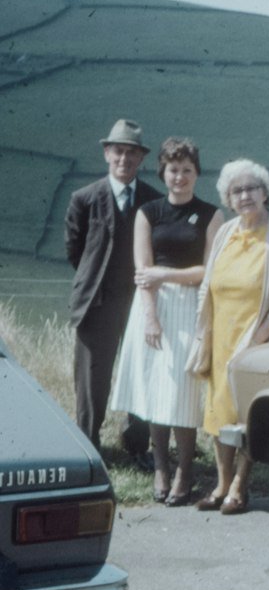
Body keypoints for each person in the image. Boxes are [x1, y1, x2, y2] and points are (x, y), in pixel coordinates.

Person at [191, 159, 269, 515]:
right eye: (236, 190)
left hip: (259, 339)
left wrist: (261, 335)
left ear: (265, 192)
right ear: (228, 198)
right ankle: (222, 482)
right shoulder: (227, 232)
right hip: (221, 336)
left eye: (251, 188)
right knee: (218, 413)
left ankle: (240, 487)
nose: (245, 195)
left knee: (247, 413)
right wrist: (204, 334)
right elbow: (207, 286)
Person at [110, 138, 223, 505]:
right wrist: (151, 318)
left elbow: (209, 271)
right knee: (156, 392)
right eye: (173, 170)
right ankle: (160, 467)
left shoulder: (211, 215)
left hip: (192, 308)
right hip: (152, 307)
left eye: (187, 170)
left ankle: (185, 471)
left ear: (196, 174)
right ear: (163, 172)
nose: (180, 177)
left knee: (183, 394)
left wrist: (166, 276)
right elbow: (143, 271)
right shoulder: (148, 212)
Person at [65, 119, 162, 454]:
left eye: (131, 153)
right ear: (107, 153)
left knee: (141, 373)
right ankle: (88, 446)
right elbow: (75, 251)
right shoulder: (84, 198)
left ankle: (136, 446)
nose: (124, 159)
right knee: (92, 380)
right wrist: (97, 283)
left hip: (141, 303)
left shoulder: (153, 201)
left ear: (142, 158)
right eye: (118, 151)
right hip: (97, 302)